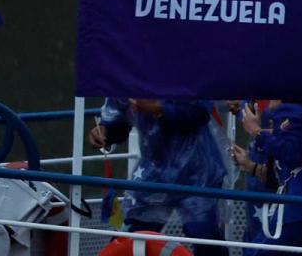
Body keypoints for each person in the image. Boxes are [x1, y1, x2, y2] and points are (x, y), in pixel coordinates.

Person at [89, 99, 229, 256]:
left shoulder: (189, 75)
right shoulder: (125, 77)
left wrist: (159, 108)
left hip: (198, 173)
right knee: (129, 238)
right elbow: (120, 118)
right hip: (153, 173)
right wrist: (106, 131)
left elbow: (200, 112)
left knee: (207, 241)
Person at [227, 100, 302, 254]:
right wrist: (250, 166)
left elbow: (291, 152)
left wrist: (257, 132)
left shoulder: (293, 110)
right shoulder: (298, 110)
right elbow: (284, 172)